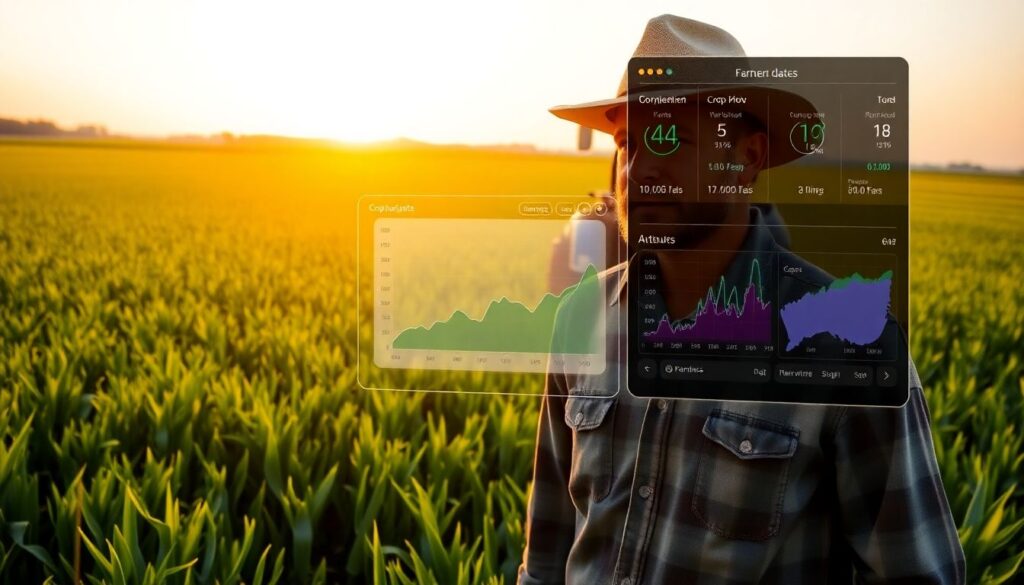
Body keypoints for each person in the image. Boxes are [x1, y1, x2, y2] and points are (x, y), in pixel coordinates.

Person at [518, 14, 965, 585]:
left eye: (669, 138)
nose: (636, 169)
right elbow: (549, 549)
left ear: (748, 158)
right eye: (628, 141)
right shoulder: (579, 317)